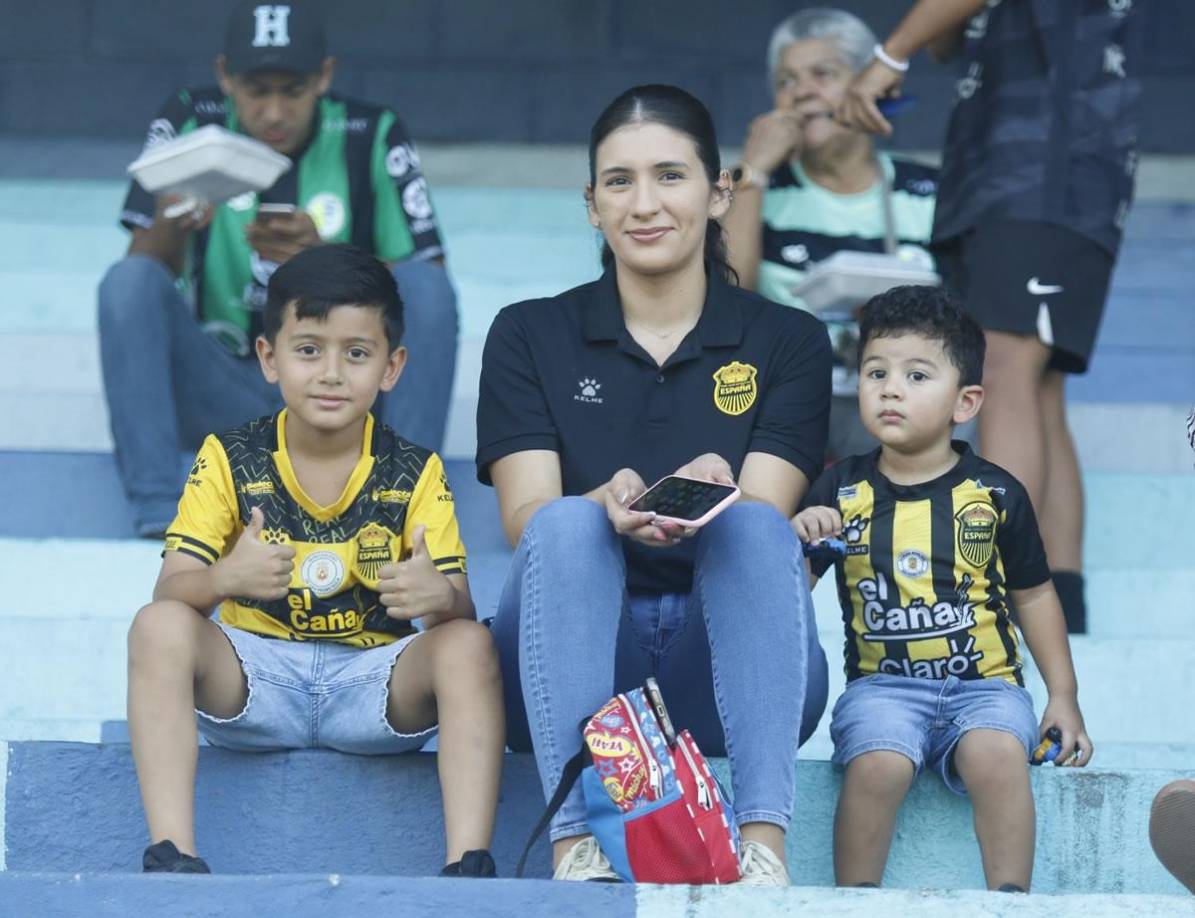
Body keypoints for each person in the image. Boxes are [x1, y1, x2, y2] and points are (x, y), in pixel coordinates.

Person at [476, 84, 832, 886]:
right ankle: (574, 848)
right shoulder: (530, 332)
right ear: (591, 206)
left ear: (718, 194)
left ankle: (763, 848)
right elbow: (523, 518)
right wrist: (604, 508)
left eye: (670, 176)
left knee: (750, 525)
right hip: (577, 662)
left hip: (725, 668)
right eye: (618, 181)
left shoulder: (789, 340)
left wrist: (721, 493)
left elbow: (768, 521)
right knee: (565, 524)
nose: (645, 203)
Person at [125, 244, 502, 877]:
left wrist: (438, 596)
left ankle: (468, 861)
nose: (331, 373)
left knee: (470, 643)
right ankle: (173, 853)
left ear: (391, 367)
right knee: (155, 625)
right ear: (269, 359)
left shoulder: (415, 469)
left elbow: (455, 607)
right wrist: (226, 578)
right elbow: (171, 591)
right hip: (255, 681)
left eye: (357, 353)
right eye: (308, 350)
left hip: (372, 686)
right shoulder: (229, 456)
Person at [837, 0, 1143, 632]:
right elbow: (952, 43)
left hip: (1046, 164)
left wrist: (891, 53)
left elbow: (929, 43)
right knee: (1035, 383)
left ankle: (997, 593)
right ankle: (1061, 598)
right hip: (1019, 169)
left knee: (1003, 369)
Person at [99, 0, 458, 537]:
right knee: (125, 282)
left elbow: (428, 287)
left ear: (325, 77)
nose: (272, 112)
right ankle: (158, 507)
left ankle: (401, 502)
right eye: (255, 90)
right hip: (224, 387)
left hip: (344, 392)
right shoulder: (189, 121)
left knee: (428, 286)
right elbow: (139, 280)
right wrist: (177, 219)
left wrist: (329, 258)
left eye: (291, 91)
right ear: (225, 76)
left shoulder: (372, 133)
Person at [793, 285, 1092, 891]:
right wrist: (799, 543)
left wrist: (1063, 694)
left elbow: (1034, 595)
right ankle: (854, 901)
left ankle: (1009, 900)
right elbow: (783, 599)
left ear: (966, 402)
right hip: (881, 687)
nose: (891, 388)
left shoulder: (996, 494)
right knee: (877, 763)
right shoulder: (840, 492)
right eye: (876, 371)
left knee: (997, 755)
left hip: (986, 688)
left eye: (916, 375)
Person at [723, 7, 938, 461]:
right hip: (786, 417)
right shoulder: (756, 192)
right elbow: (727, 292)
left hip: (905, 420)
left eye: (823, 73)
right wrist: (754, 171)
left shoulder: (928, 192)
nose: (802, 92)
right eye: (785, 82)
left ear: (866, 83)